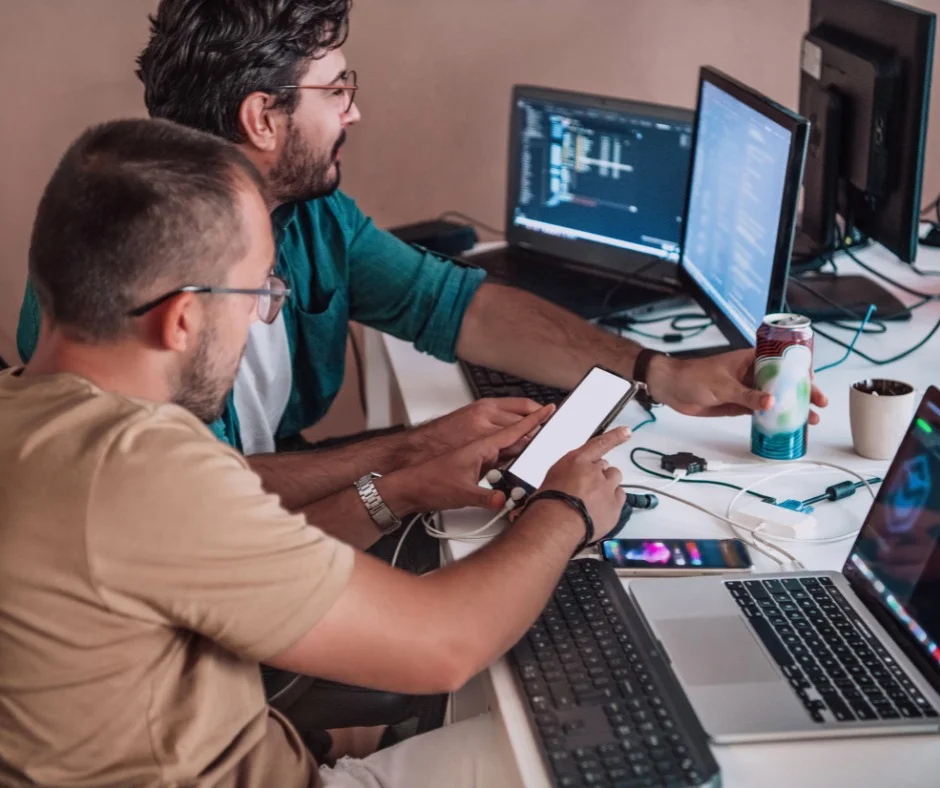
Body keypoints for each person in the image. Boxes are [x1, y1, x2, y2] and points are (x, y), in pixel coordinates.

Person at [15, 0, 828, 523]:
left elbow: (454, 303)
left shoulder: (310, 214)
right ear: (263, 117)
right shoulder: (123, 274)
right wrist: (409, 456)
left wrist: (652, 369)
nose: (356, 110)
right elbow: (184, 506)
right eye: (336, 90)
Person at [0, 116, 631, 788]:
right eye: (257, 293)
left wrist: (402, 485)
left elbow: (216, 555)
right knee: (603, 748)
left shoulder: (39, 423)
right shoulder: (140, 471)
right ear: (182, 318)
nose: (260, 316)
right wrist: (566, 508)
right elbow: (446, 643)